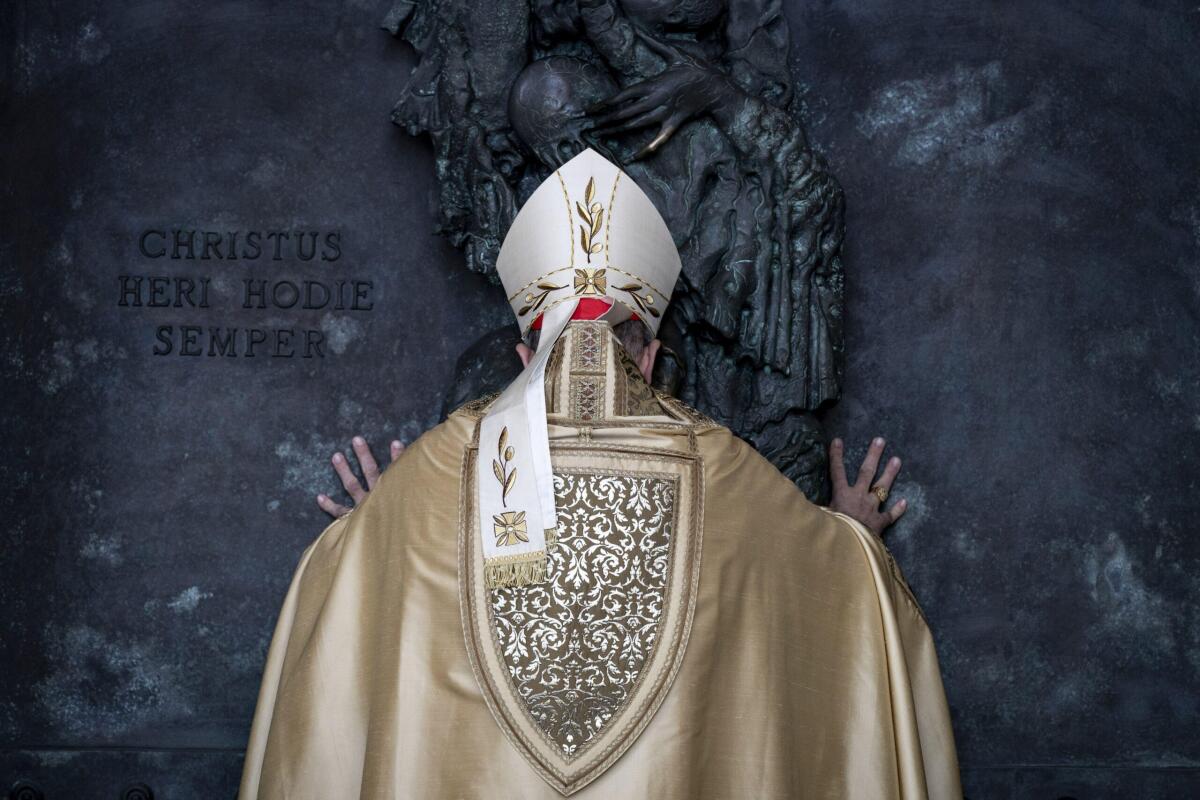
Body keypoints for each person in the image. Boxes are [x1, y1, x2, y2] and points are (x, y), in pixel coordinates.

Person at [239, 149, 961, 798]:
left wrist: (376, 538)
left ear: (525, 357)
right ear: (648, 358)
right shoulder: (731, 472)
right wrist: (855, 537)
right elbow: (833, 591)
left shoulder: (432, 474)